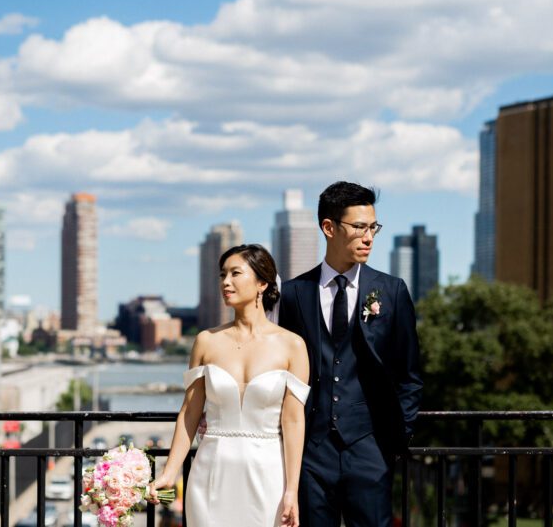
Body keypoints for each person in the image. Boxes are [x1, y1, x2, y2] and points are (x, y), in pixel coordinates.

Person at [278, 181, 423, 527]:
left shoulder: (391, 291)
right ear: (329, 227)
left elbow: (409, 374)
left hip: (370, 450)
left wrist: (393, 440)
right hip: (311, 454)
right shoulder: (295, 294)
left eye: (373, 227)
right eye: (359, 227)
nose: (369, 236)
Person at [150, 244, 310, 527]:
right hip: (211, 472)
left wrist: (291, 491)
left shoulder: (292, 345)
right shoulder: (206, 341)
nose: (225, 282)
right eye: (222, 274)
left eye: (236, 273)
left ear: (262, 282)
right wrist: (168, 473)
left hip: (268, 474)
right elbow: (189, 413)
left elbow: (294, 422)